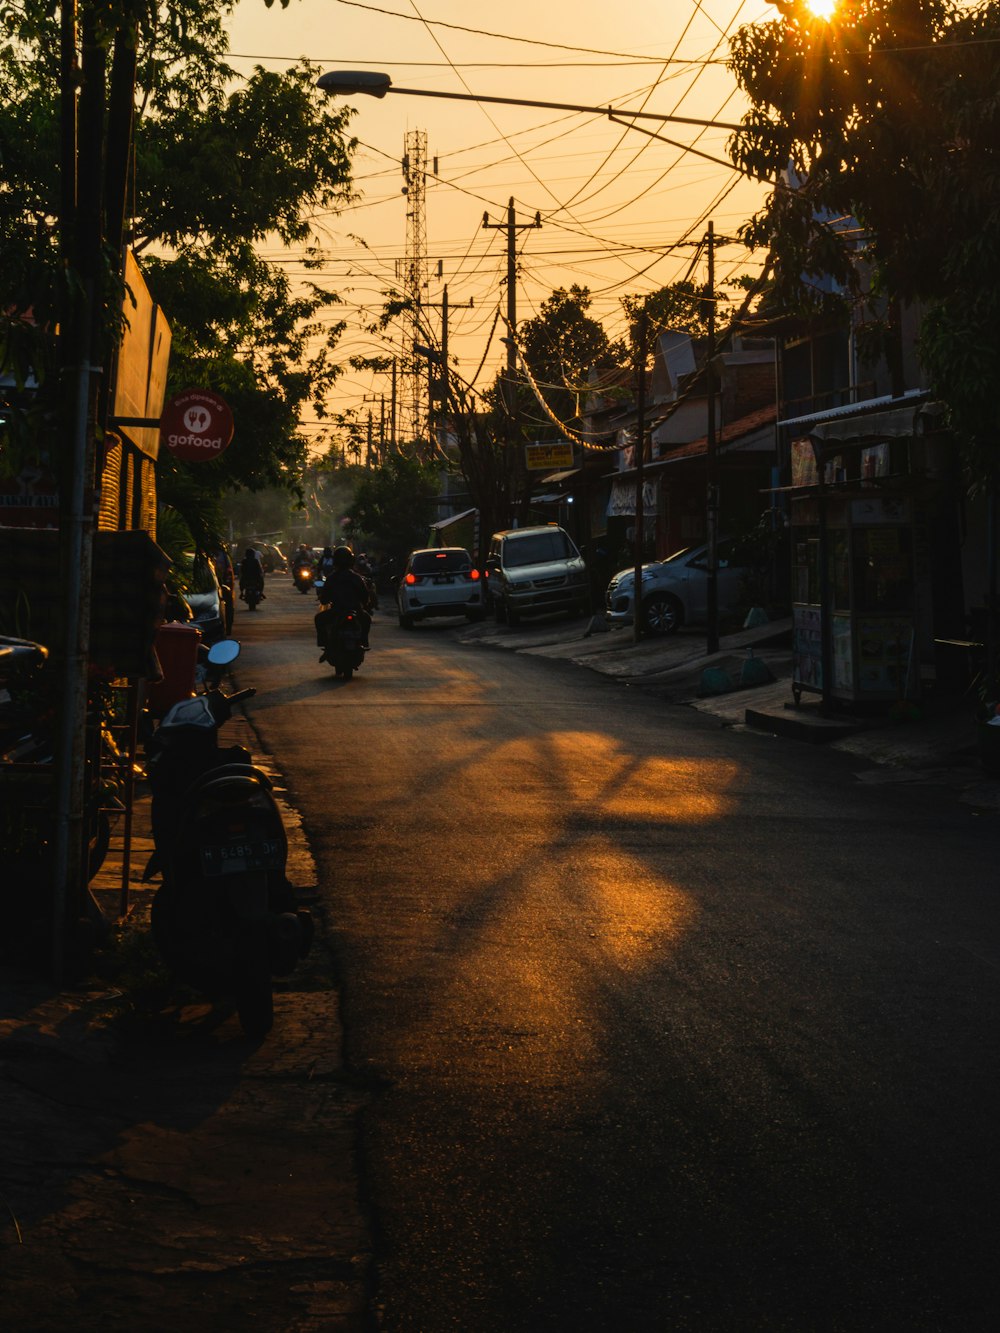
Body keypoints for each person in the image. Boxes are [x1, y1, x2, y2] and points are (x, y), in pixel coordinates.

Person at [314, 545, 373, 660]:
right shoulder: (356, 578)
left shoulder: (332, 578)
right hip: (355, 610)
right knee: (366, 619)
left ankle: (326, 645)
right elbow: (365, 597)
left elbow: (324, 598)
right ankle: (363, 642)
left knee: (319, 619)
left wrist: (323, 598)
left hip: (337, 611)